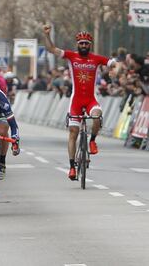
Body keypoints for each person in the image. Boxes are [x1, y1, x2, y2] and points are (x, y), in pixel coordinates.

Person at [43, 24, 117, 180]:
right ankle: (71, 167)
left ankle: (92, 141)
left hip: (90, 99)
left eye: (86, 43)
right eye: (81, 43)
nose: (84, 45)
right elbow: (52, 49)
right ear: (78, 44)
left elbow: (114, 63)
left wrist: (113, 70)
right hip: (76, 100)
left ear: (90, 45)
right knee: (73, 133)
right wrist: (47, 35)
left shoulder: (96, 59)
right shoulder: (71, 56)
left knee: (97, 115)